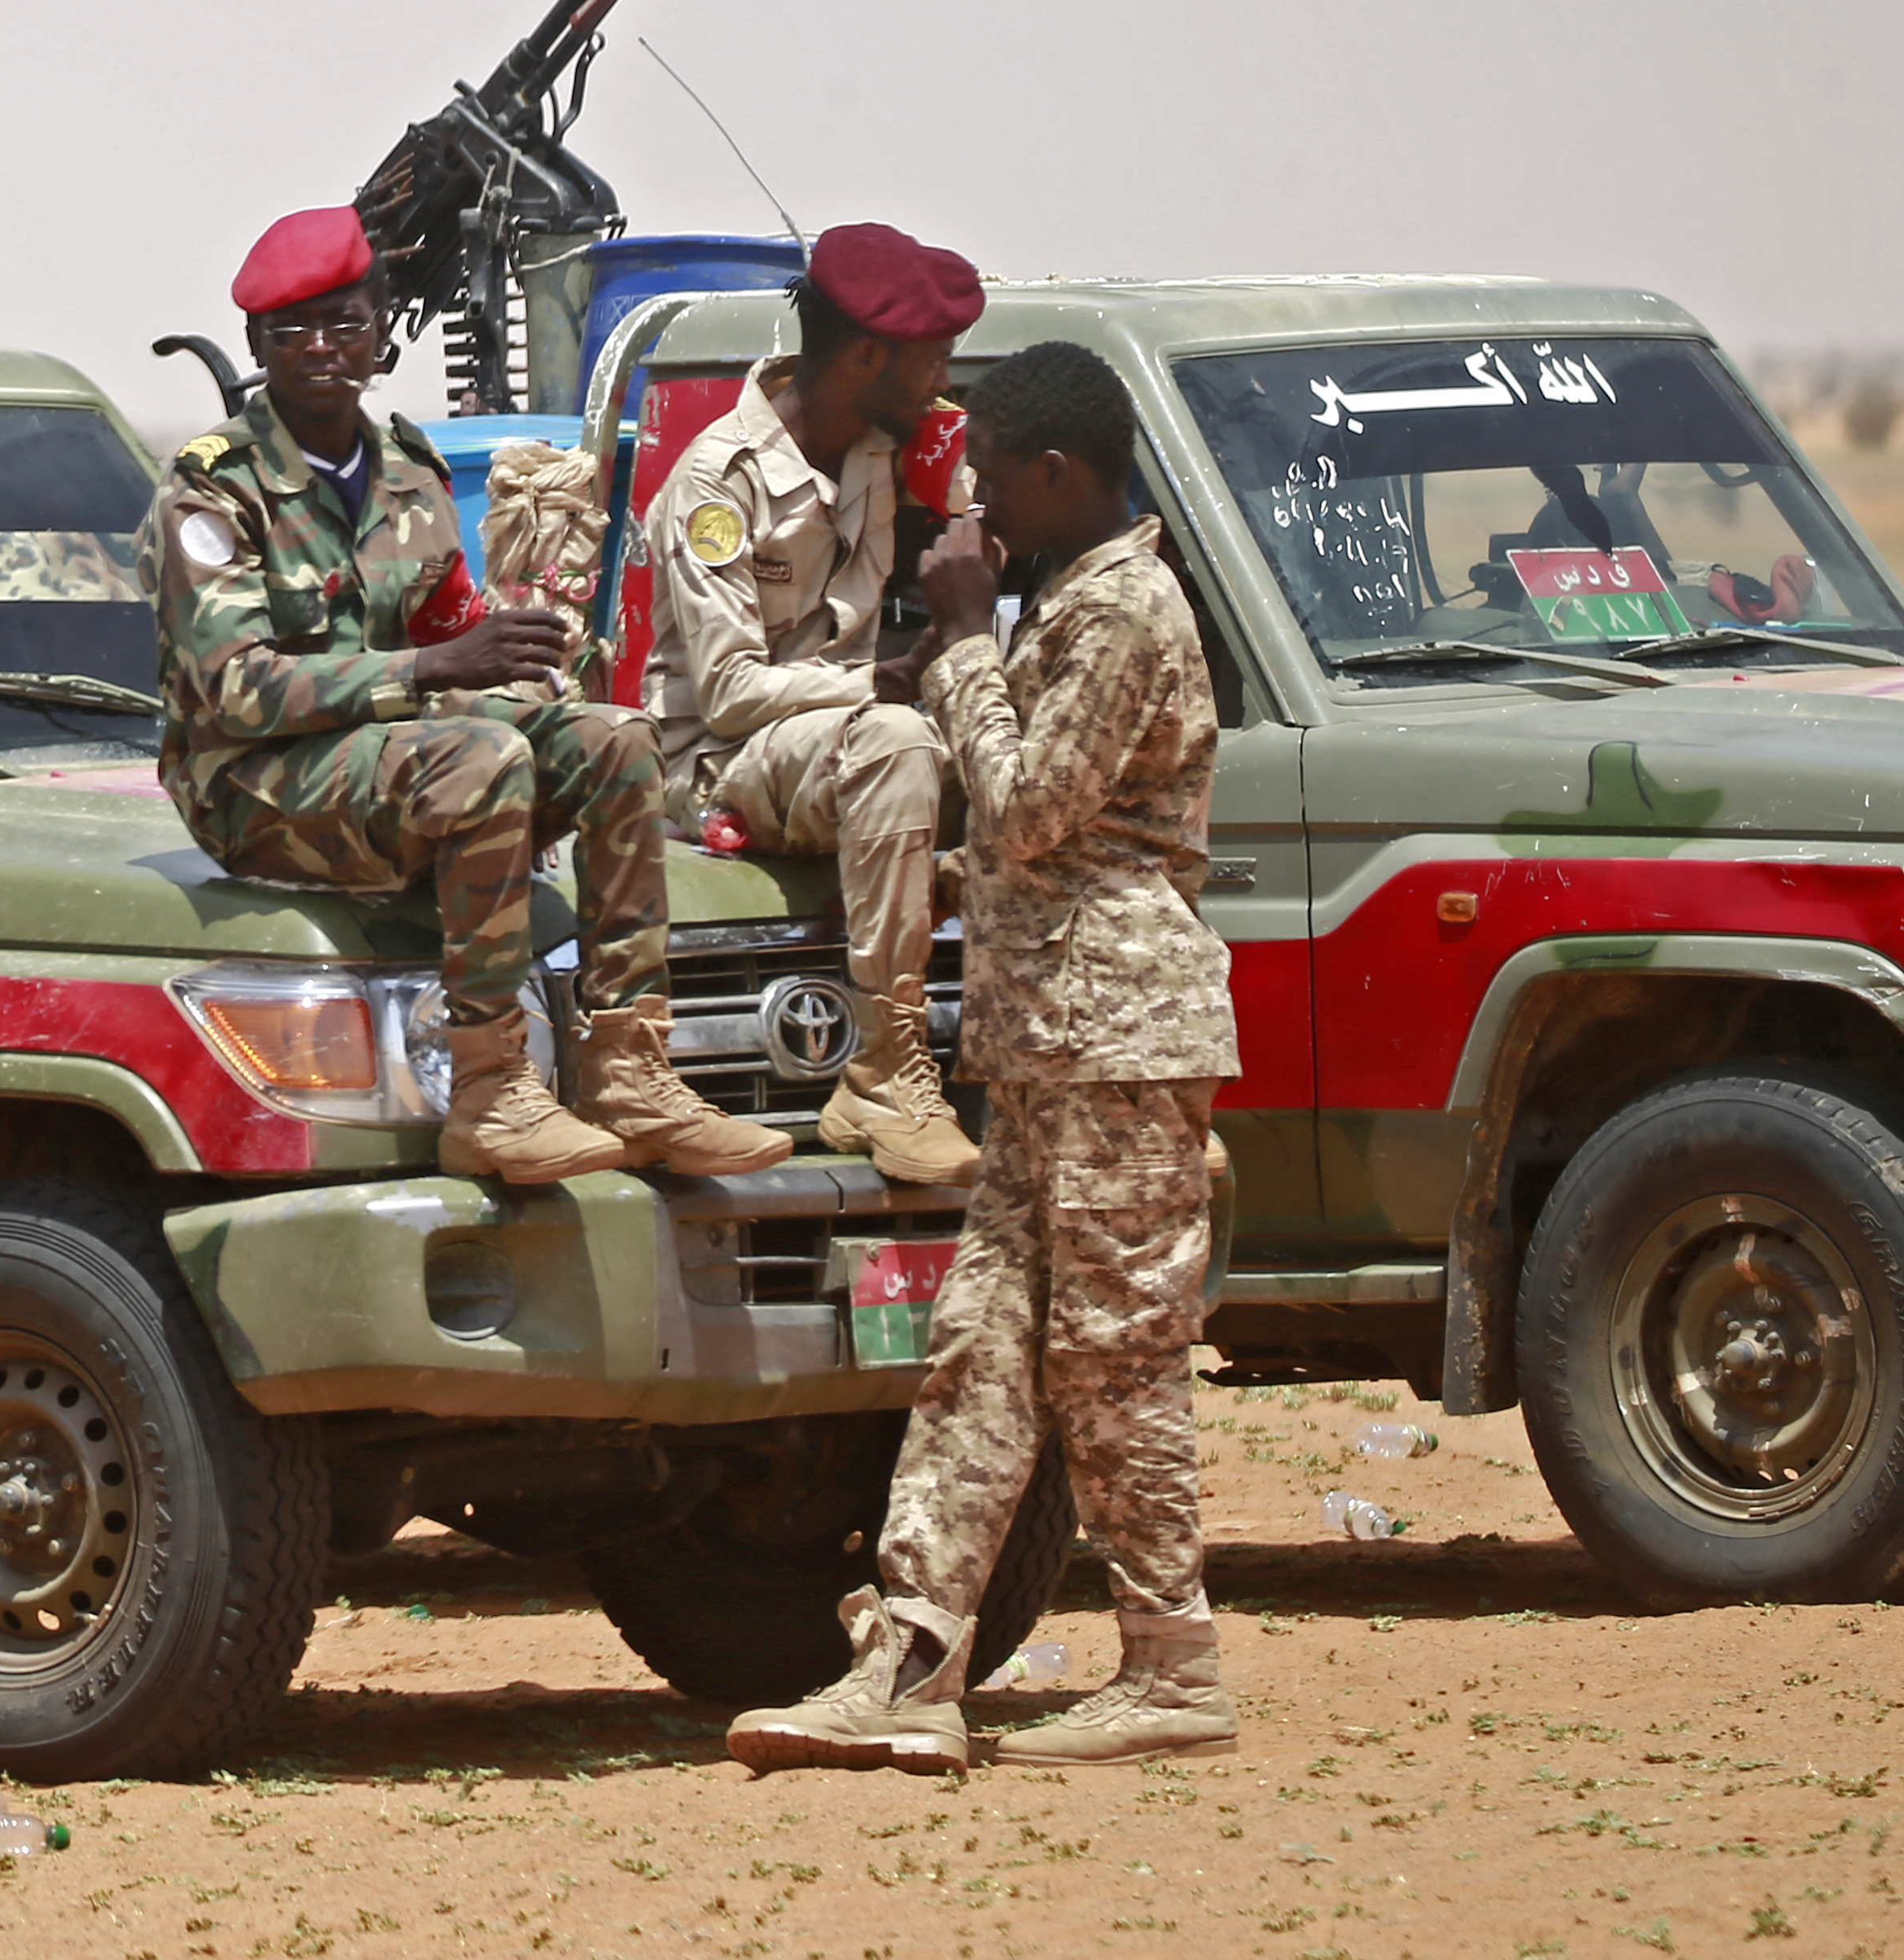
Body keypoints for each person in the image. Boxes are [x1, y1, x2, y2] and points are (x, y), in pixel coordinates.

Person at [727, 341, 1242, 1775]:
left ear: (1060, 472)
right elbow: (1038, 841)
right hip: (1046, 1043)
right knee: (979, 1353)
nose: (978, 503)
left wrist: (957, 640)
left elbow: (1027, 805)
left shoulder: (1123, 608)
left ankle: (1169, 1657)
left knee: (1110, 1354)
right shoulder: (1073, 603)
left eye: (997, 472)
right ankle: (907, 1654)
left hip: (1116, 1043)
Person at [143, 205, 786, 1184]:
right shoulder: (214, 492)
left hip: (387, 755)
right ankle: (492, 1088)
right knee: (479, 758)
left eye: (343, 324)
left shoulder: (409, 469)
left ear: (379, 328)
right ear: (256, 347)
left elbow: (450, 630)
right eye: (292, 333)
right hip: (254, 784)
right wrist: (435, 671)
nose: (321, 349)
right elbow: (236, 691)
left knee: (613, 740)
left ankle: (631, 1067)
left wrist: (522, 657)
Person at [648, 222, 984, 1186]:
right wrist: (879, 683)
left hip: (835, 747)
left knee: (1014, 733)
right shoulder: (720, 480)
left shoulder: (889, 444)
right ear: (867, 356)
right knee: (894, 740)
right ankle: (886, 1069)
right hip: (721, 759)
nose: (941, 381)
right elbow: (730, 691)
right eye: (932, 361)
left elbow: (982, 518)